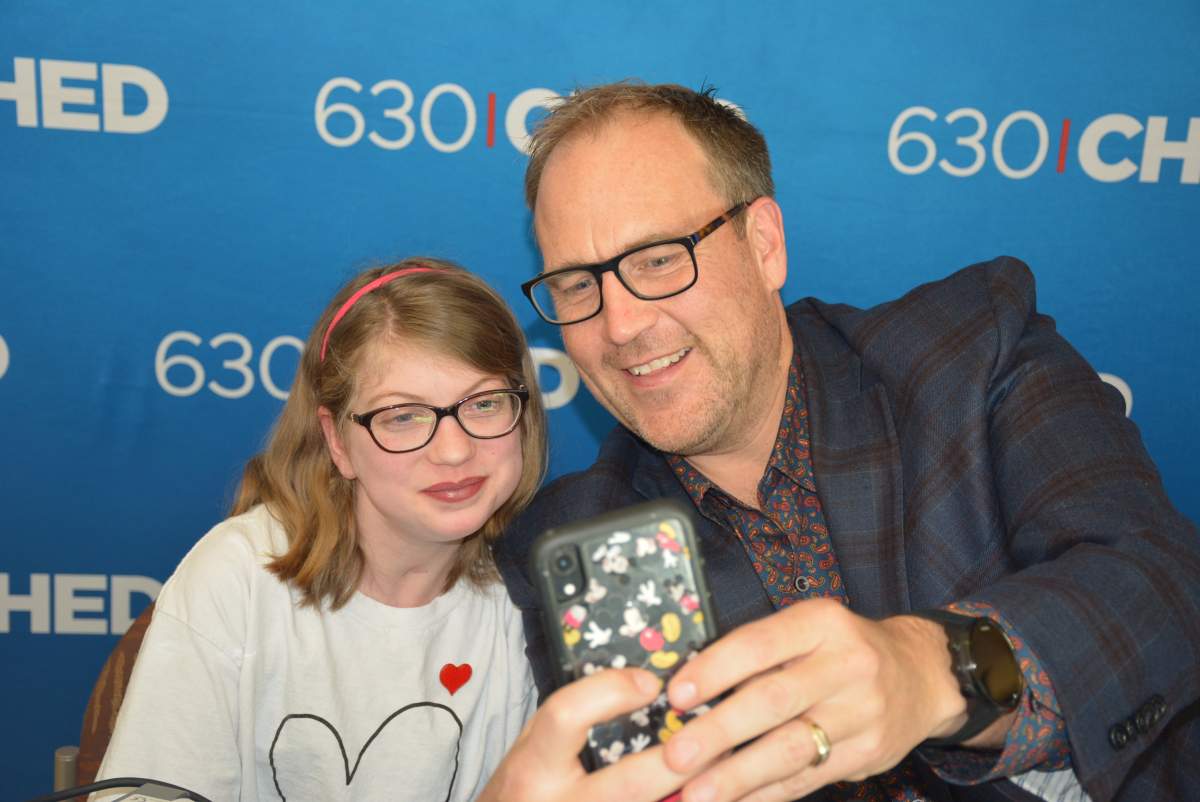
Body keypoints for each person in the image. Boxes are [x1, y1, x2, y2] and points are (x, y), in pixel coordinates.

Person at [494, 82, 1200, 802]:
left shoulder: (972, 351)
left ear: (764, 245)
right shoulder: (574, 543)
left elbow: (1161, 580)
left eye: (658, 259)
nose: (618, 324)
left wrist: (930, 670)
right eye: (577, 285)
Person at [95, 259, 552, 801]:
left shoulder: (532, 590)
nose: (454, 450)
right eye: (402, 415)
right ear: (337, 442)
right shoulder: (238, 576)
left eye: (483, 403)